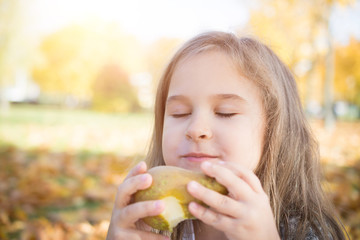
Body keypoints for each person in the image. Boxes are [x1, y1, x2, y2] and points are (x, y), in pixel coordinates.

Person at [106, 31, 348, 240]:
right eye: (180, 113)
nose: (196, 129)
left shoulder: (305, 231)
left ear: (274, 131)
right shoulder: (149, 222)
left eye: (225, 113)